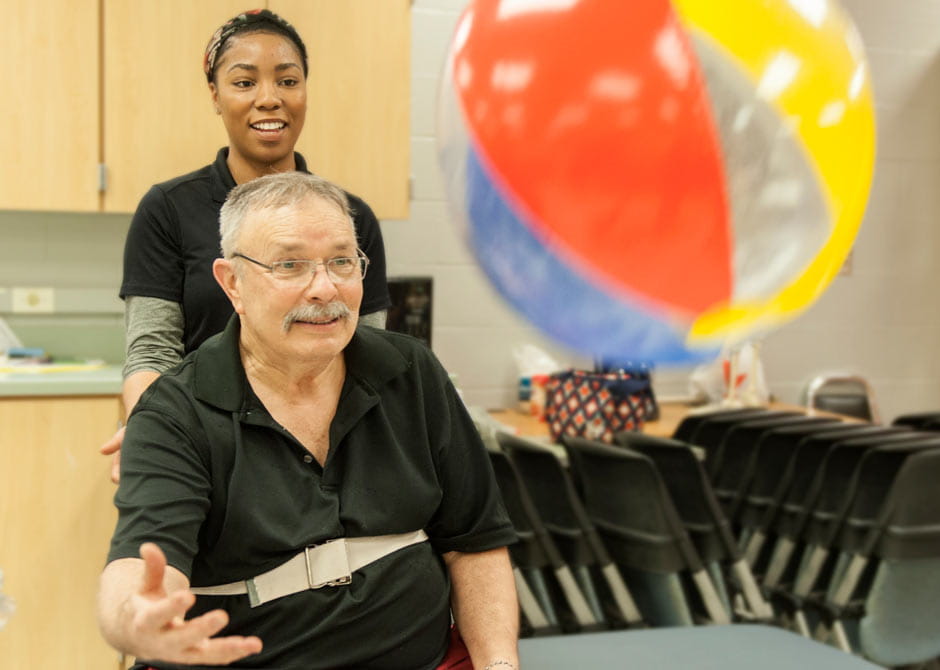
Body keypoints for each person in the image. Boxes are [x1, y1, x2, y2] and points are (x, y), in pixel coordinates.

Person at [97, 171, 520, 670]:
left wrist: (500, 665)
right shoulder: (175, 413)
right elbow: (140, 569)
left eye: (342, 262)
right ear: (232, 283)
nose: (324, 288)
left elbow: (474, 544)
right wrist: (135, 619)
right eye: (290, 265)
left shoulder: (411, 372)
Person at [102, 9, 390, 481]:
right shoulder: (168, 209)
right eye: (244, 82)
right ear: (215, 95)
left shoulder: (349, 217)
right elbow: (152, 352)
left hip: (323, 450)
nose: (269, 99)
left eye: (288, 81)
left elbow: (369, 352)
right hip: (206, 448)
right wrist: (153, 430)